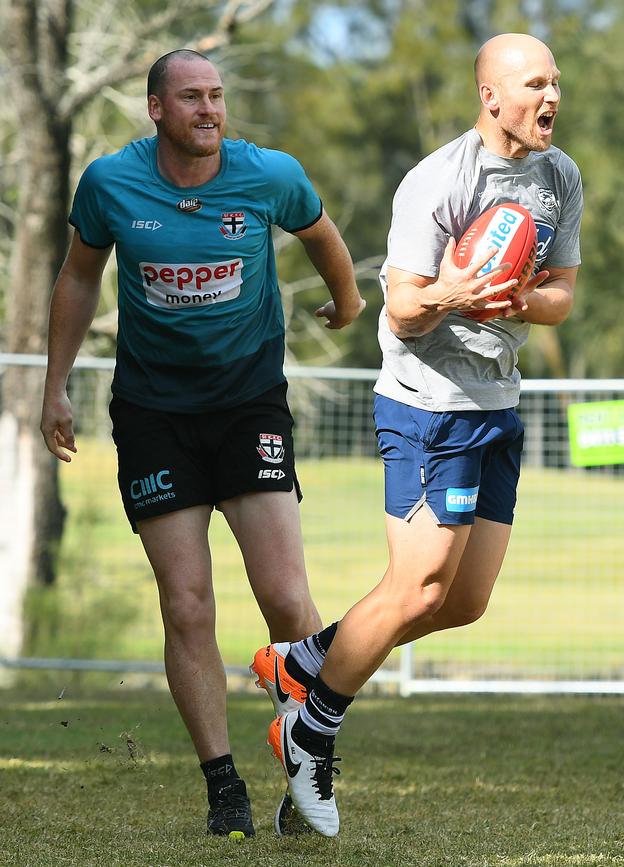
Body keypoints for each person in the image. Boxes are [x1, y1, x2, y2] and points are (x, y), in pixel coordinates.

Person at [251, 32, 583, 836]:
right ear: (491, 95)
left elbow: (563, 293)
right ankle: (310, 727)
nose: (551, 99)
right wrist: (457, 291)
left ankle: (302, 660)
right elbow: (398, 308)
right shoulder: (437, 180)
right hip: (428, 402)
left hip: (496, 400)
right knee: (419, 585)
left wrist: (516, 301)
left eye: (556, 83)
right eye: (536, 84)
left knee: (463, 602)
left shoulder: (560, 175)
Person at [40, 49, 365, 840]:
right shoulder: (111, 184)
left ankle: (307, 763)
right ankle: (225, 791)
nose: (210, 110)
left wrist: (348, 299)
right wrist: (53, 384)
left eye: (217, 96)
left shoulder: (267, 175)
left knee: (287, 598)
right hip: (153, 414)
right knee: (187, 604)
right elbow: (80, 276)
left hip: (249, 404)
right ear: (156, 109)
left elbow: (320, 230)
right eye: (192, 98)